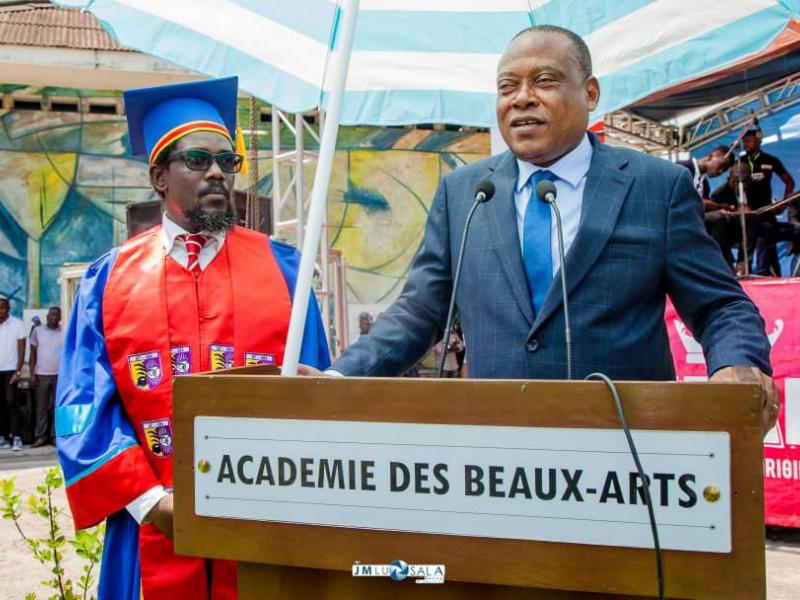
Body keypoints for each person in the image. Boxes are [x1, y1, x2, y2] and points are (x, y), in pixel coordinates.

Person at [321, 25, 778, 432]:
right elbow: (421, 310)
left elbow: (719, 305)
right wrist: (338, 379)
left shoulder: (656, 187)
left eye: (544, 81)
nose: (521, 98)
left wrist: (737, 365)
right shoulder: (464, 193)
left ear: (591, 93)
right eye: (507, 87)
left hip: (627, 449)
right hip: (495, 452)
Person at [55, 77, 330, 600]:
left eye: (228, 162)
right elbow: (82, 409)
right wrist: (151, 502)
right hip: (150, 531)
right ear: (159, 176)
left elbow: (317, 395)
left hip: (263, 527)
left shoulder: (285, 271)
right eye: (198, 159)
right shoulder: (108, 281)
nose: (216, 174)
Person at [739, 128, 795, 275]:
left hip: (767, 212)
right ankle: (751, 276)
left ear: (758, 141)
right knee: (748, 246)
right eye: (744, 141)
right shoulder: (740, 161)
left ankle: (772, 277)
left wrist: (784, 203)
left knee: (769, 244)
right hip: (748, 214)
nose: (746, 144)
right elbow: (733, 187)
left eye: (749, 141)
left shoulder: (770, 160)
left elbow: (789, 181)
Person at [704, 163, 760, 270]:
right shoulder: (719, 193)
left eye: (745, 181)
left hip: (750, 229)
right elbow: (714, 215)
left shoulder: (757, 189)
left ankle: (744, 263)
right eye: (736, 181)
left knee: (754, 220)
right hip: (727, 230)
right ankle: (726, 265)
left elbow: (762, 208)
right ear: (729, 179)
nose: (741, 184)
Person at [29, 306, 62, 447]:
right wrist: (32, 373)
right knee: (41, 407)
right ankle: (41, 436)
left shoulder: (64, 331)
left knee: (56, 406)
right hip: (41, 374)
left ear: (60, 318)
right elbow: (33, 354)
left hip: (59, 375)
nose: (54, 317)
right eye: (52, 314)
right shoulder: (38, 331)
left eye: (57, 315)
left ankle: (55, 436)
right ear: (47, 316)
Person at [0, 297, 26, 451]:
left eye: (2, 308)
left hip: (11, 370)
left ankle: (16, 436)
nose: (0, 311)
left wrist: (18, 370)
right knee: (0, 404)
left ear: (8, 309)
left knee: (12, 403)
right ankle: (2, 436)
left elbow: (22, 349)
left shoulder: (17, 325)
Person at [675, 146, 733, 211]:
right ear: (710, 156)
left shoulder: (705, 184)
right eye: (721, 165)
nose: (720, 171)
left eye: (724, 170)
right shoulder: (681, 168)